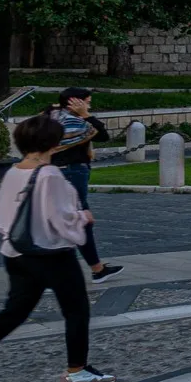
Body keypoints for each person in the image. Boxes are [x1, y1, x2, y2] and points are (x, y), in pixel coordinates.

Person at [0, 114, 117, 382]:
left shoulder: (14, 170)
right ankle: (76, 370)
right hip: (51, 253)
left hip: (15, 251)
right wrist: (83, 218)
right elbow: (60, 219)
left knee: (12, 313)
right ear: (54, 143)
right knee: (76, 310)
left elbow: (2, 217)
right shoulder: (50, 175)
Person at [50, 89, 123, 282]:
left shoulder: (52, 116)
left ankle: (95, 268)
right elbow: (102, 134)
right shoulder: (76, 122)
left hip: (58, 171)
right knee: (80, 220)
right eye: (87, 102)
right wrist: (85, 115)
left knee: (71, 220)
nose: (89, 106)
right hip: (72, 171)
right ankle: (92, 270)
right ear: (75, 102)